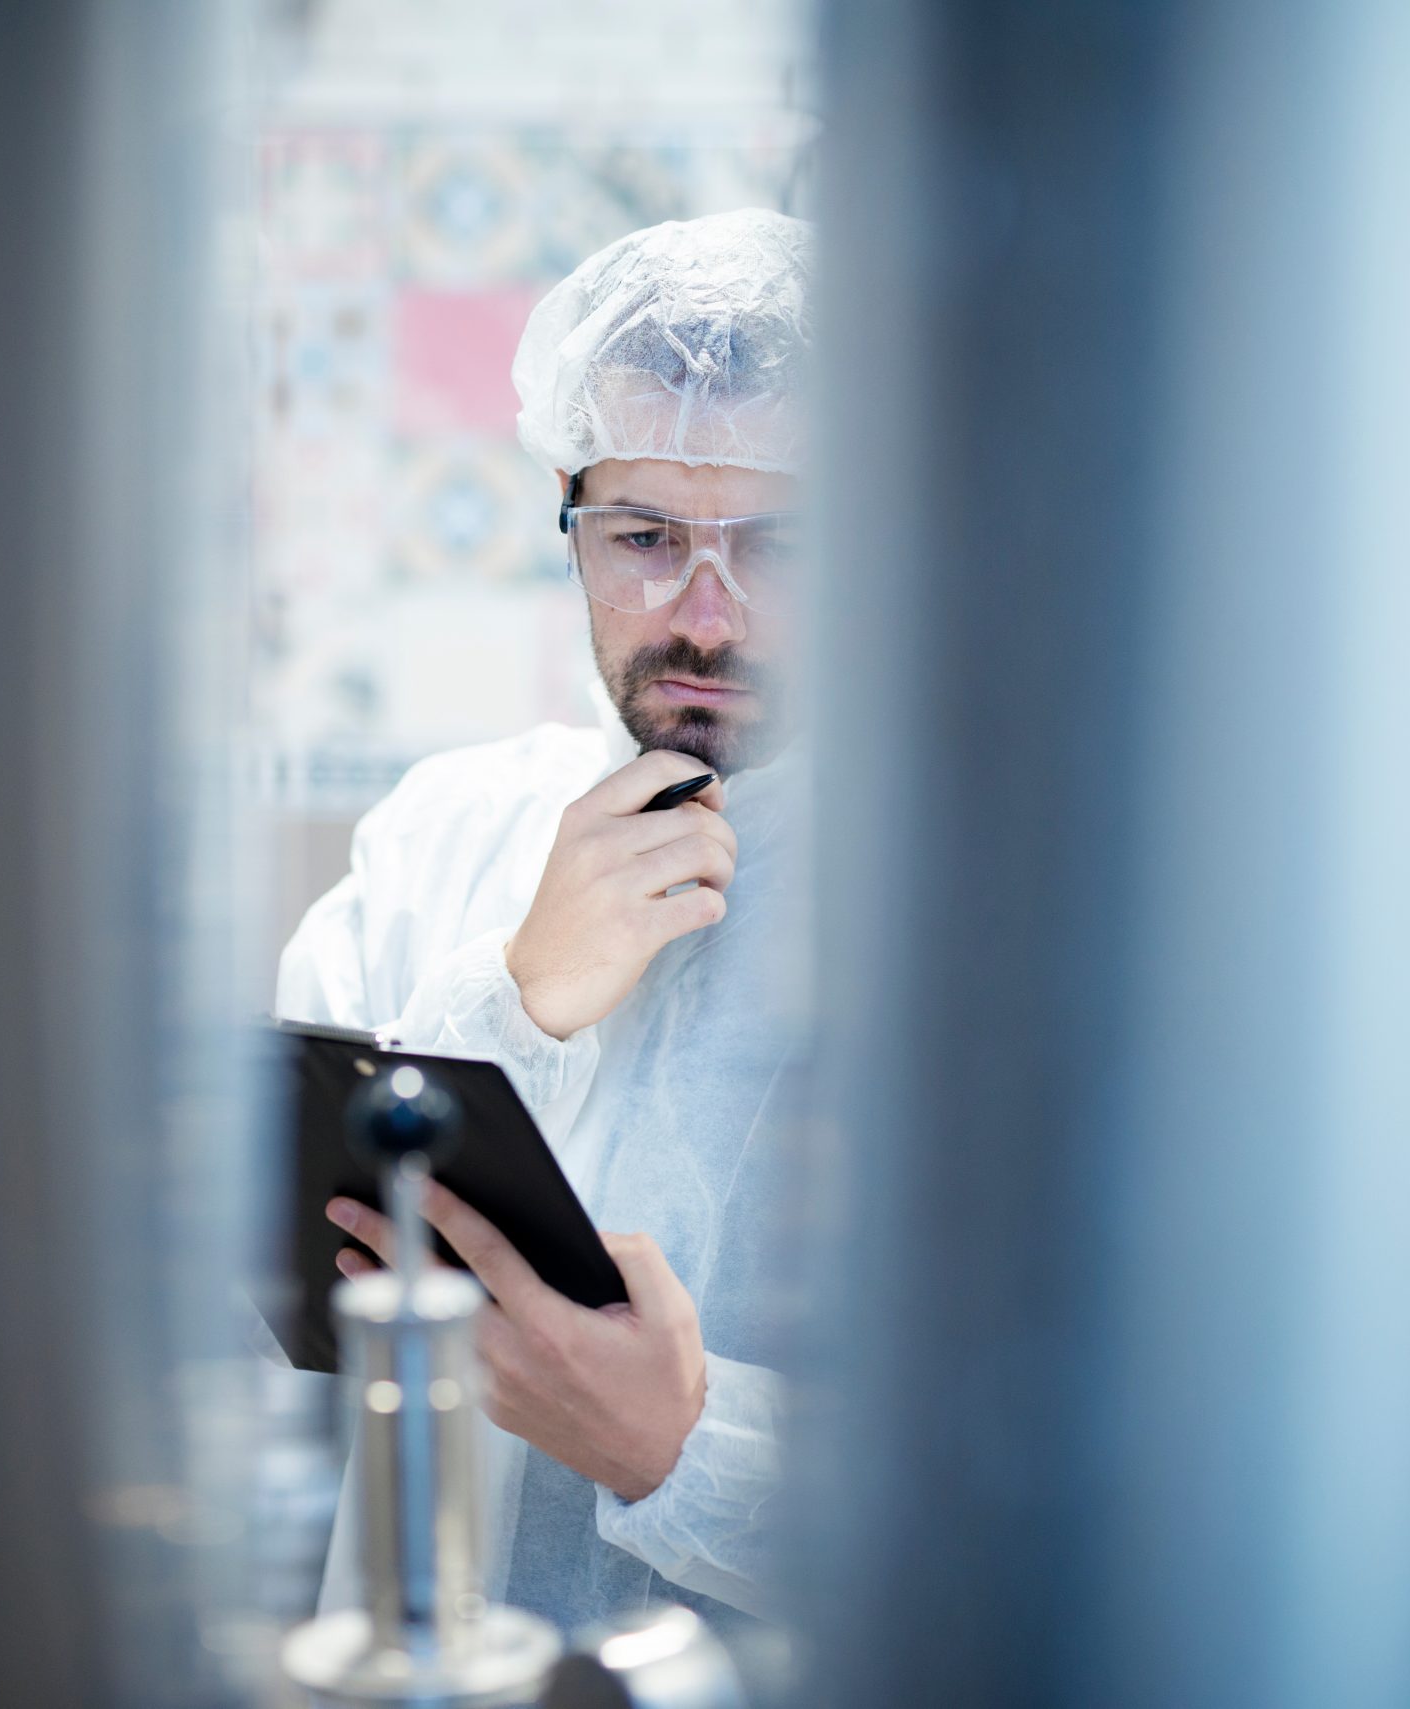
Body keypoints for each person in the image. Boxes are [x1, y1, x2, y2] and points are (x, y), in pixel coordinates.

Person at [275, 207, 812, 1636]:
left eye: (780, 541)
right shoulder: (442, 839)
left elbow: (1057, 1502)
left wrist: (687, 1449)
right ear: (567, 527)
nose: (709, 611)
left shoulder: (972, 924)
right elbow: (281, 1301)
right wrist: (510, 998)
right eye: (644, 534)